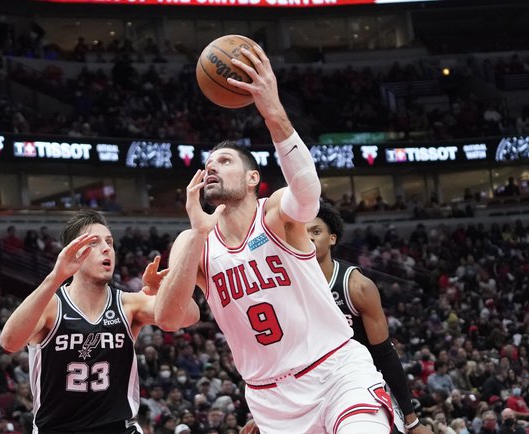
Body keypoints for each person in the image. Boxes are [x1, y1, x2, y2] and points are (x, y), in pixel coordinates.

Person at [154, 44, 392, 434]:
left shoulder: (276, 212)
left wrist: (272, 110)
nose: (212, 168)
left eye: (225, 161)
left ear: (252, 179)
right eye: (208, 165)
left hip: (335, 373)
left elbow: (308, 193)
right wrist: (198, 232)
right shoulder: (192, 241)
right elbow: (166, 318)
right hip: (269, 399)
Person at [0, 209, 198, 434]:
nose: (107, 248)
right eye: (95, 242)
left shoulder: (129, 305)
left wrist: (163, 289)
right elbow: (9, 342)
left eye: (110, 242)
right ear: (72, 252)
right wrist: (55, 276)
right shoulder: (50, 307)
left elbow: (190, 316)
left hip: (119, 428)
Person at [304, 202, 432, 434]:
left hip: (360, 382)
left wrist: (413, 420)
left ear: (332, 239)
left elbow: (384, 353)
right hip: (313, 388)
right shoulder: (287, 287)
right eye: (303, 233)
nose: (309, 238)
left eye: (316, 231)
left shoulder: (356, 286)